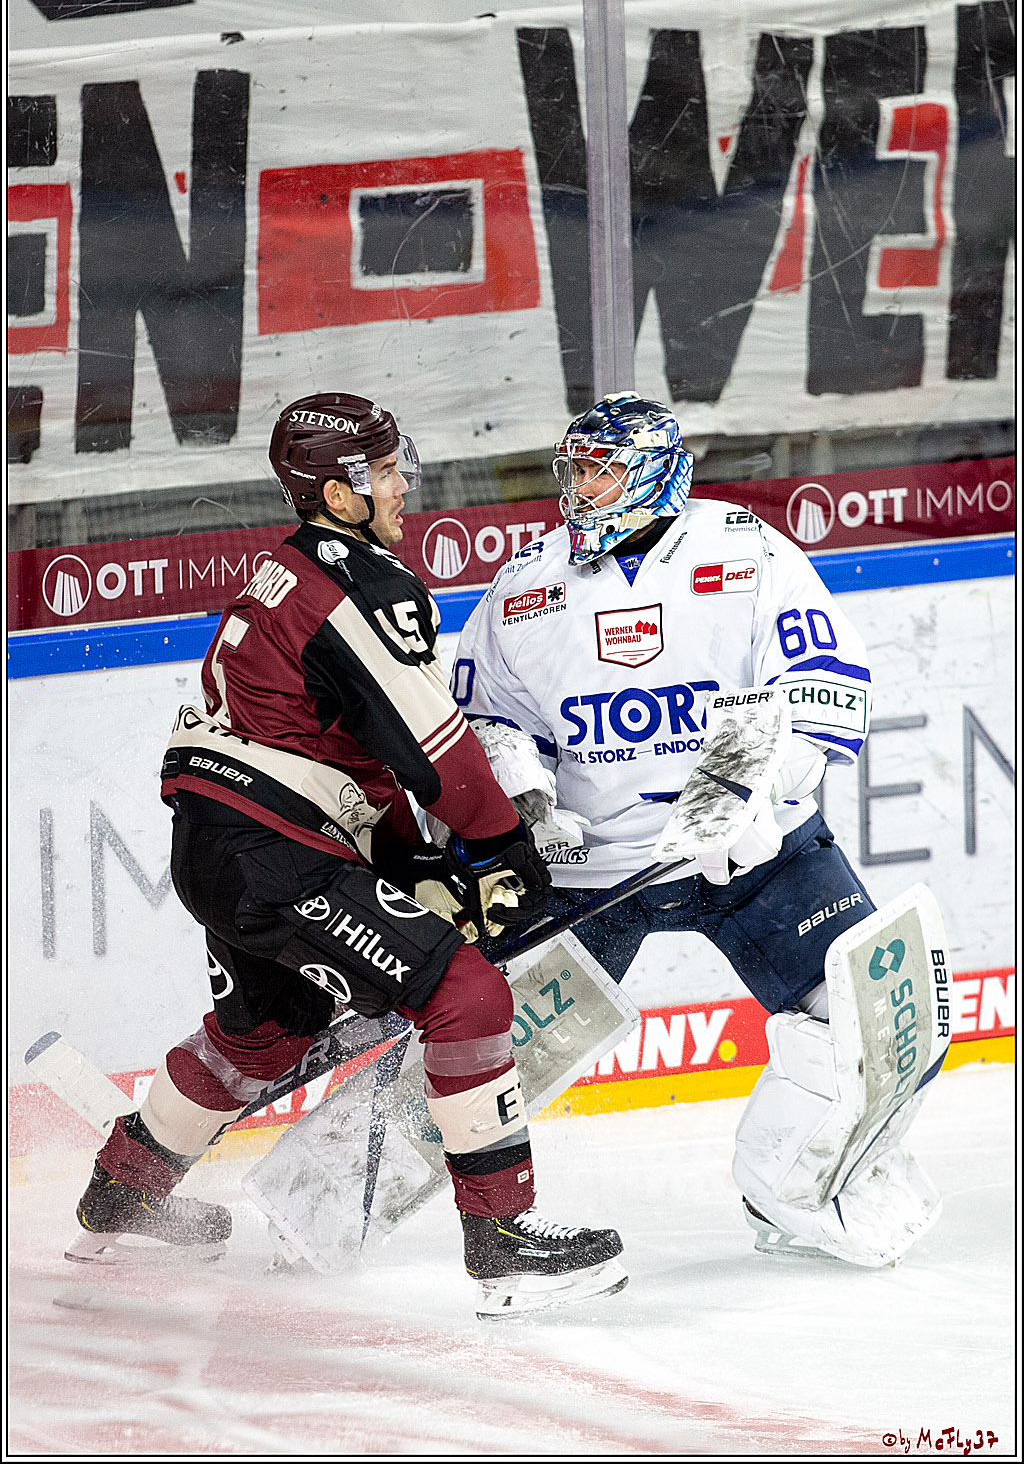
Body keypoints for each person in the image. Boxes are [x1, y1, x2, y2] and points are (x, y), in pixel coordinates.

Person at [68, 392, 626, 1318]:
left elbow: (351, 757)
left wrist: (415, 867)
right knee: (467, 993)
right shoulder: (362, 585)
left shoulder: (280, 569)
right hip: (277, 851)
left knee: (261, 1033)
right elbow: (435, 751)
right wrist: (499, 850)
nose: (406, 483)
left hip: (218, 844)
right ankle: (504, 1242)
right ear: (341, 489)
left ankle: (119, 1195)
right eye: (388, 469)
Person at [453, 391, 945, 1268]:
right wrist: (527, 800)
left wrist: (755, 796)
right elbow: (486, 716)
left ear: (651, 472)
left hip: (757, 859)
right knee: (479, 1037)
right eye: (573, 470)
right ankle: (342, 1187)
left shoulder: (746, 552)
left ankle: (792, 1187)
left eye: (600, 469)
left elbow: (825, 686)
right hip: (593, 872)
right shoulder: (525, 586)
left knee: (881, 1017)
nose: (578, 488)